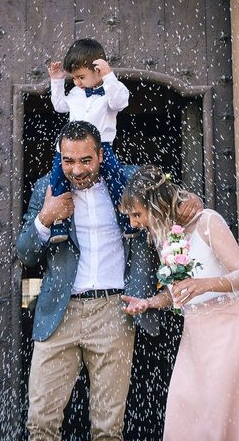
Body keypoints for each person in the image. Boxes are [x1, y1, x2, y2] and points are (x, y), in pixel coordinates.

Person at [16, 122, 202, 441]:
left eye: (85, 160)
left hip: (114, 312)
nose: (77, 169)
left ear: (101, 155)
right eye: (68, 161)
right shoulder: (45, 188)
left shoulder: (129, 181)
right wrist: (46, 217)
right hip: (60, 315)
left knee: (108, 426)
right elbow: (27, 255)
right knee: (41, 421)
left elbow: (177, 203)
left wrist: (190, 202)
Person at [119, 165, 239, 441]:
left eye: (136, 214)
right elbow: (178, 293)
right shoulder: (165, 239)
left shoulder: (208, 221)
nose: (133, 223)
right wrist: (149, 302)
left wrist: (205, 284)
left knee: (221, 420)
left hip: (228, 334)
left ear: (155, 206)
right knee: (185, 415)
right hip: (194, 340)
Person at [48, 38, 137, 243]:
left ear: (98, 69)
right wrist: (57, 80)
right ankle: (59, 223)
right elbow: (60, 106)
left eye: (80, 77)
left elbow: (120, 102)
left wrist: (109, 77)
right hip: (68, 147)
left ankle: (126, 219)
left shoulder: (112, 90)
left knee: (117, 179)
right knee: (58, 179)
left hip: (101, 147)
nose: (77, 82)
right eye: (74, 78)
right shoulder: (76, 92)